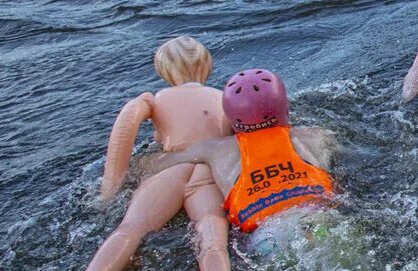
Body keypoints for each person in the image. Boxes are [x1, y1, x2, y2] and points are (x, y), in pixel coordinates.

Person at [27, 38, 234, 271]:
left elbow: (124, 133)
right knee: (212, 232)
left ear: (164, 70)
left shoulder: (155, 99)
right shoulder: (222, 97)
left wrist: (110, 191)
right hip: (206, 173)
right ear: (207, 67)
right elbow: (228, 141)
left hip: (168, 171)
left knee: (128, 233)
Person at [138, 70, 336, 237]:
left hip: (267, 233)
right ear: (285, 108)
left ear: (230, 118)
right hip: (318, 216)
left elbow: (159, 162)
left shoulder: (215, 148)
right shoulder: (316, 136)